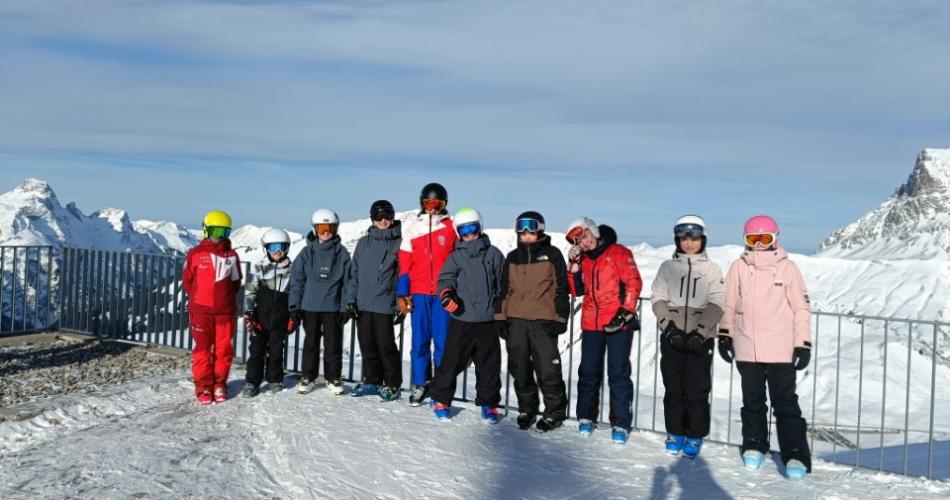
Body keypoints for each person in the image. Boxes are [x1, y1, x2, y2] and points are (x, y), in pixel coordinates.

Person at [718, 215, 812, 480]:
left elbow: (801, 308)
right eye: (753, 239)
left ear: (775, 239)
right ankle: (754, 444)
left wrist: (802, 343)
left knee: (785, 404)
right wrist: (725, 334)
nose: (758, 245)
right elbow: (728, 303)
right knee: (753, 402)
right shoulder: (738, 267)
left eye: (764, 239)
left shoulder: (788, 269)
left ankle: (794, 453)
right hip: (747, 348)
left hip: (781, 350)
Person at [651, 215, 725, 458]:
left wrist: (701, 332)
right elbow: (658, 297)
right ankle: (675, 432)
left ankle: (694, 435)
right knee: (673, 386)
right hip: (672, 335)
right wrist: (667, 327)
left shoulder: (711, 269)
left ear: (702, 239)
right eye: (684, 238)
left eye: (694, 238)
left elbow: (717, 301)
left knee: (696, 388)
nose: (689, 242)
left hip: (699, 338)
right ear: (677, 240)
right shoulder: (667, 267)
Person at [566, 216, 643, 445]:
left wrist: (626, 310)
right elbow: (576, 290)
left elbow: (633, 282)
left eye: (586, 236)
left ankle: (619, 422)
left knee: (618, 372)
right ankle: (586, 417)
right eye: (579, 241)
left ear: (594, 231)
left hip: (618, 321)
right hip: (592, 322)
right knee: (589, 371)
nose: (585, 243)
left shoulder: (618, 252)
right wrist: (574, 267)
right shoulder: (585, 259)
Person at [429, 208, 504, 423]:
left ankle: (489, 404)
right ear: (458, 232)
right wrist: (447, 295)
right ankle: (441, 399)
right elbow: (445, 280)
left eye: (474, 229)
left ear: (480, 228)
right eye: (465, 230)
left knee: (489, 366)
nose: (470, 234)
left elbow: (503, 283)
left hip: (488, 321)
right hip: (462, 319)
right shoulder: (456, 257)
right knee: (451, 361)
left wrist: (502, 310)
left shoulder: (494, 254)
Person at [497, 211, 570, 432]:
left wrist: (560, 317)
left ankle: (554, 413)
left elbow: (561, 289)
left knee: (548, 369)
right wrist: (500, 317)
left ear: (540, 228)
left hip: (542, 320)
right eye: (521, 227)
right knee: (520, 368)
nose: (526, 232)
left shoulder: (552, 255)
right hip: (516, 320)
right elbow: (504, 290)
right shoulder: (512, 257)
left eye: (531, 227)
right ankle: (526, 409)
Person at [396, 183, 457, 406]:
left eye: (437, 204)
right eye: (428, 204)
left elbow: (459, 259)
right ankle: (420, 384)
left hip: (442, 294)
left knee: (442, 342)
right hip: (420, 293)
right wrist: (403, 293)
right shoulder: (413, 229)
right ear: (422, 204)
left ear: (444, 205)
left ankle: (440, 388)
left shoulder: (452, 228)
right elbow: (405, 264)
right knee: (420, 342)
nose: (432, 208)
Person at [344, 200, 404, 402]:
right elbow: (354, 274)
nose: (383, 221)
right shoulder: (363, 243)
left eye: (386, 216)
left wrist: (400, 303)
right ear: (372, 219)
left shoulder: (399, 243)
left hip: (385, 303)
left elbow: (403, 275)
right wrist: (350, 300)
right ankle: (372, 381)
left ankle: (392, 384)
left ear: (392, 217)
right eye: (378, 217)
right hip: (363, 302)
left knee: (386, 346)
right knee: (367, 345)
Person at [182, 210, 243, 405]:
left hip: (225, 312)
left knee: (224, 350)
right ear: (206, 231)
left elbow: (235, 282)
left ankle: (219, 384)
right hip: (201, 312)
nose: (220, 237)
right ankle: (203, 387)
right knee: (202, 350)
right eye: (216, 231)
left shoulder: (231, 256)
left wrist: (223, 299)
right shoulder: (195, 254)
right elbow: (188, 282)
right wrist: (200, 300)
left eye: (224, 233)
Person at [289, 209, 352, 396]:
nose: (327, 231)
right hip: (310, 307)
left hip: (333, 308)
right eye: (322, 227)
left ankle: (333, 378)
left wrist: (345, 306)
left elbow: (347, 283)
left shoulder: (342, 254)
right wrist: (295, 305)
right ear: (315, 229)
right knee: (311, 344)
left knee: (333, 345)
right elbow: (297, 280)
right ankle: (308, 376)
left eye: (330, 227)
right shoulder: (307, 253)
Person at [241, 228, 295, 398]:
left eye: (282, 247)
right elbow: (250, 291)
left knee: (277, 350)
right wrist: (248, 313)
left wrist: (294, 315)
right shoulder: (258, 268)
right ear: (266, 248)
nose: (278, 252)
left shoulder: (292, 270)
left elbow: (295, 293)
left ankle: (275, 379)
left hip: (281, 318)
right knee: (256, 350)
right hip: (260, 318)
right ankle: (252, 382)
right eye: (273, 248)